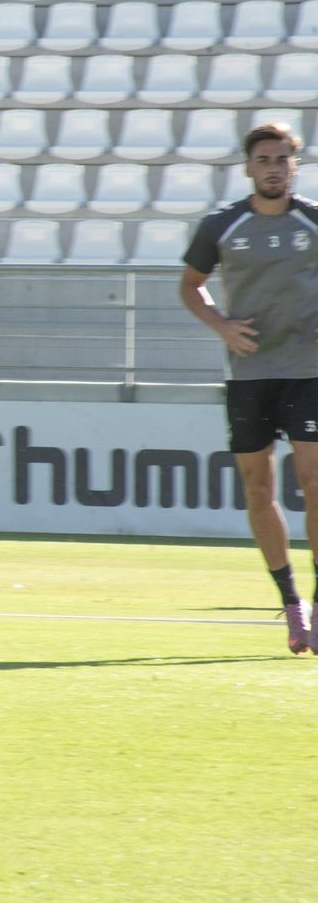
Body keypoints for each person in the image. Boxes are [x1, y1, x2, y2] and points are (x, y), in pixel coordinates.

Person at [180, 121, 318, 654]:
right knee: (258, 488)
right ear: (248, 167)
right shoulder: (222, 226)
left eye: (283, 159)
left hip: (308, 370)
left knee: (314, 481)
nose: (274, 167)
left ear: (294, 166)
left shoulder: (312, 220)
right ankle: (291, 603)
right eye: (265, 159)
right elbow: (190, 287)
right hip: (250, 375)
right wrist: (221, 325)